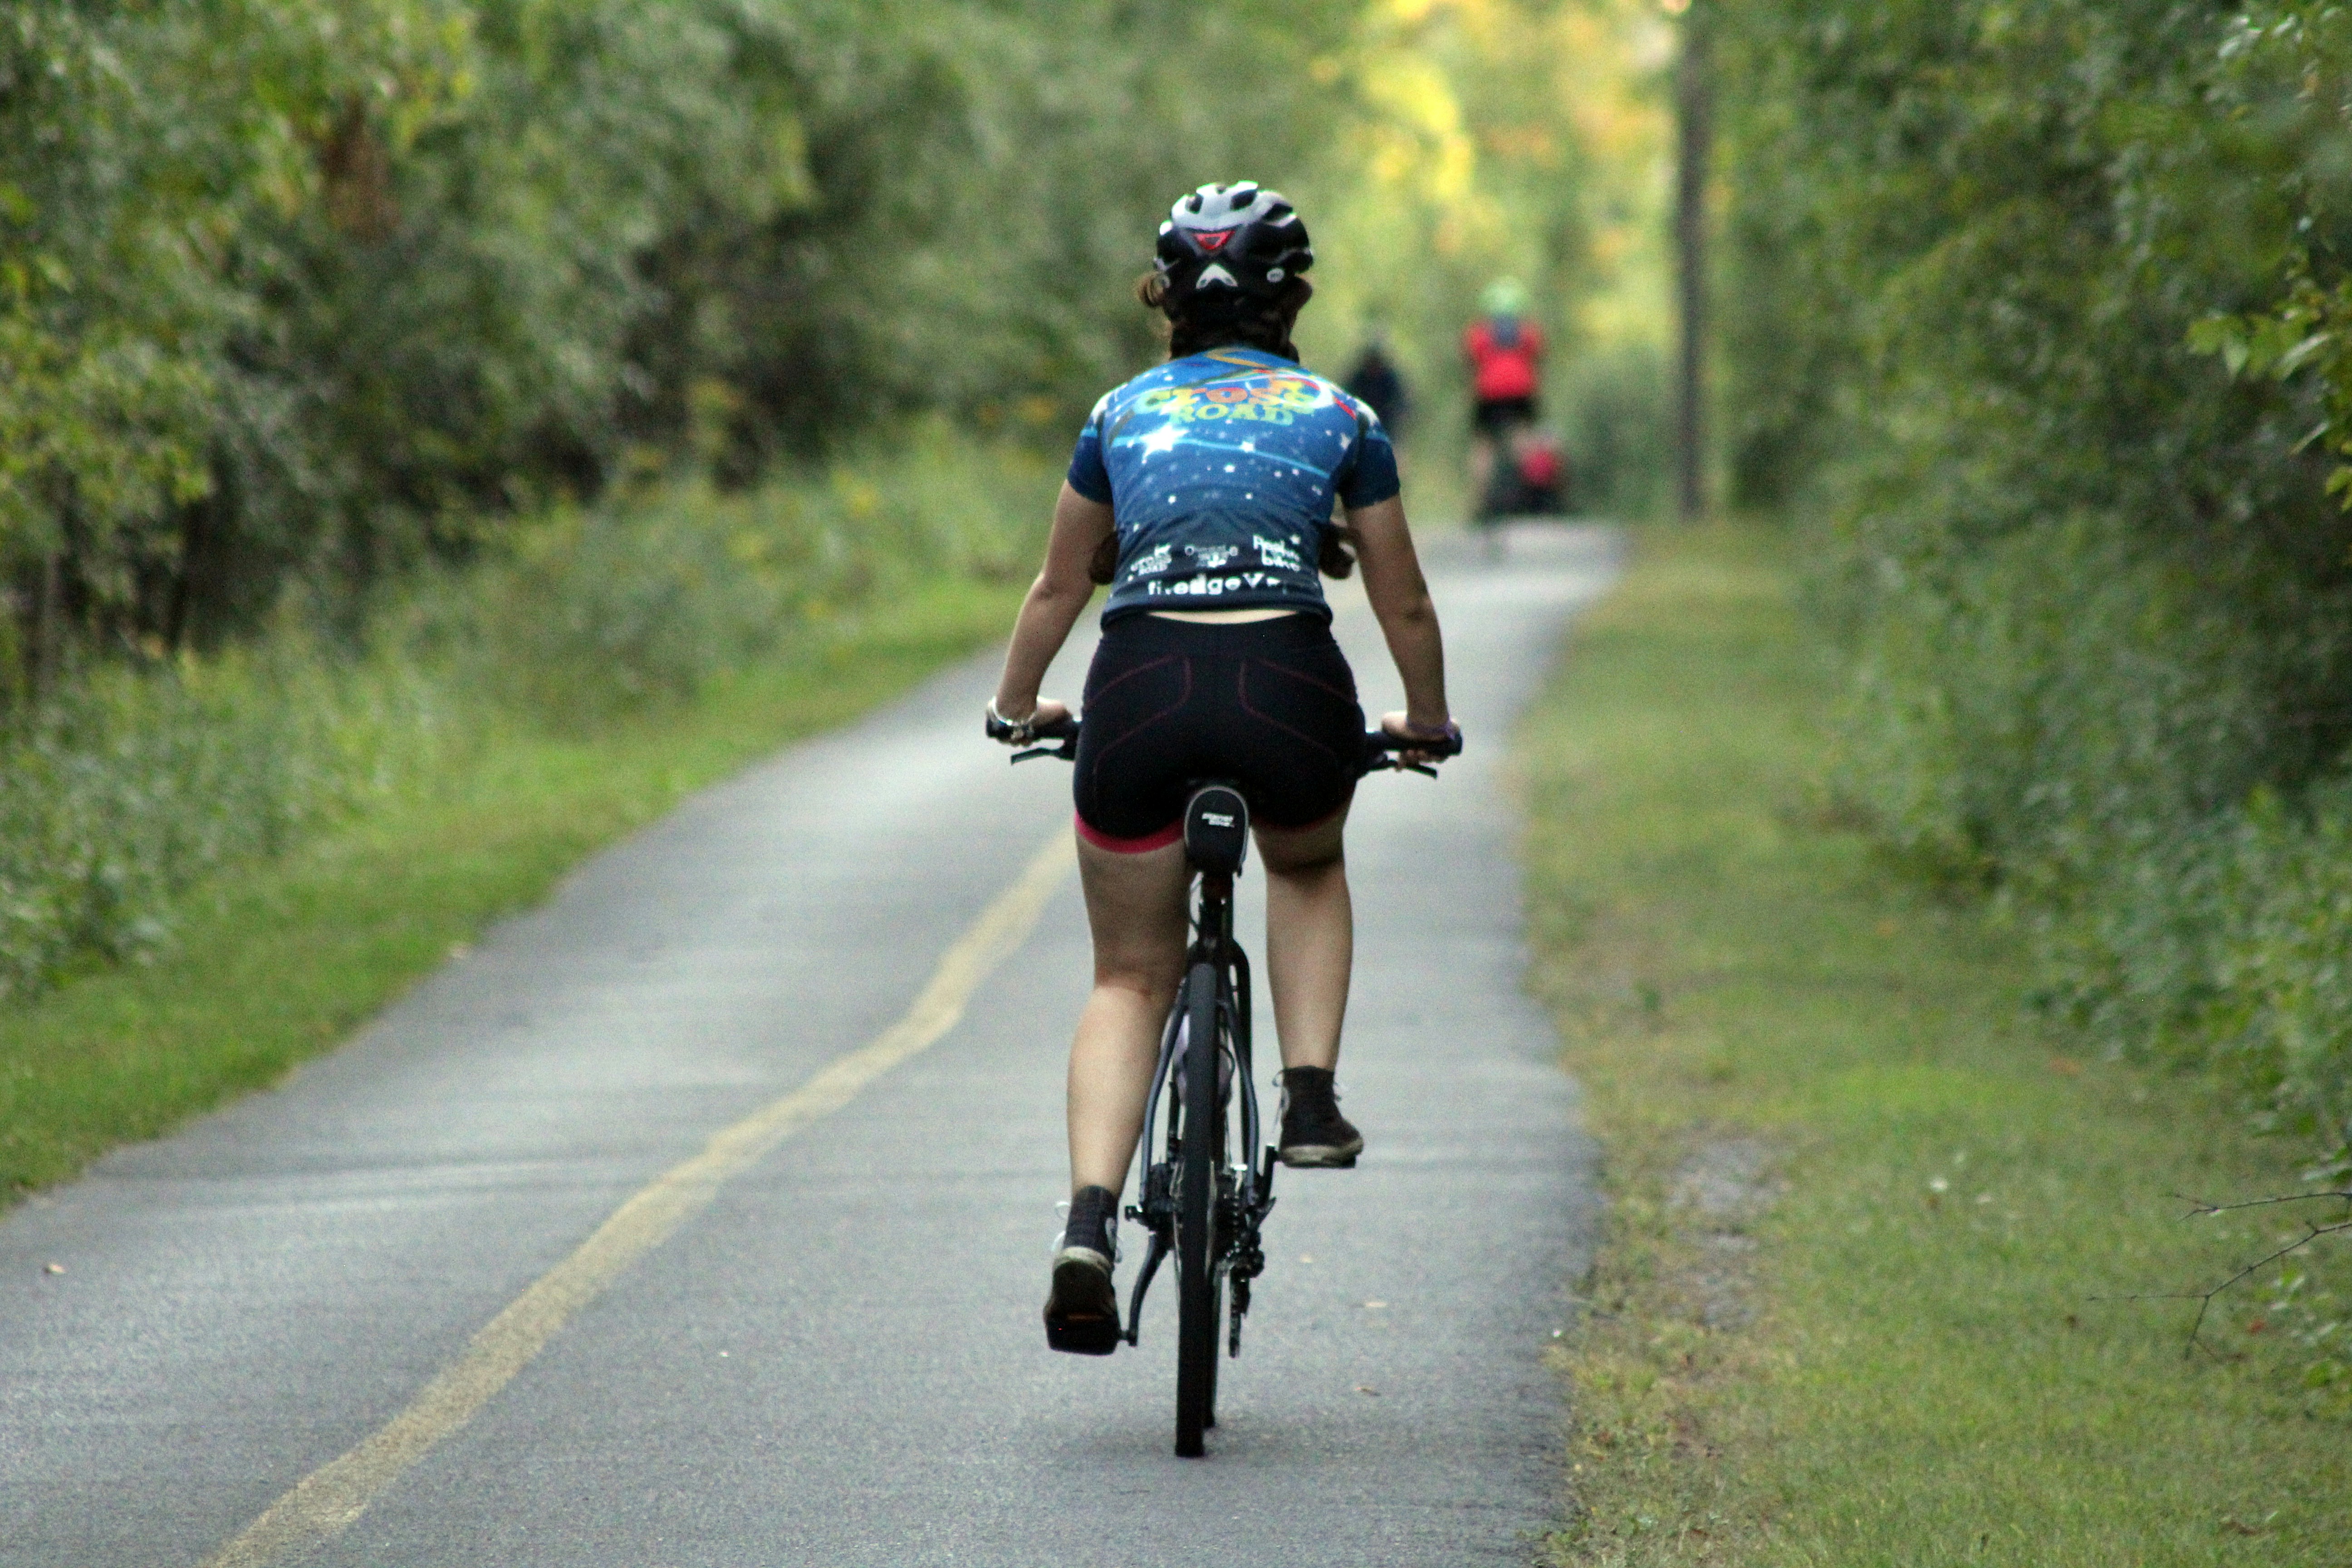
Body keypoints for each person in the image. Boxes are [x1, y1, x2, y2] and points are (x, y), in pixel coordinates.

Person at [985, 181, 1460, 1356]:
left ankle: (1091, 1224)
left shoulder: (1117, 415)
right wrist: (1428, 721)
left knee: (1128, 979)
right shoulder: (1342, 417)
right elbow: (1398, 594)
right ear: (1291, 295)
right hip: (1286, 696)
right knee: (1303, 863)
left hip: (1137, 695)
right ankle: (1306, 1098)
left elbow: (1060, 586)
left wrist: (1015, 706)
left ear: (1167, 301)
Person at [1462, 277, 1545, 518]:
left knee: (1484, 444)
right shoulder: (1528, 332)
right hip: (1523, 392)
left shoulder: (1479, 333)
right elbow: (1538, 358)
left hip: (1488, 394)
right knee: (1525, 439)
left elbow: (1471, 362)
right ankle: (1531, 493)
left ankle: (1480, 501)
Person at [1343, 328, 1410, 439]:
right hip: (1361, 429)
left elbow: (1402, 404)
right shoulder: (1359, 378)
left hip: (1385, 428)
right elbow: (1346, 397)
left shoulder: (1389, 379)